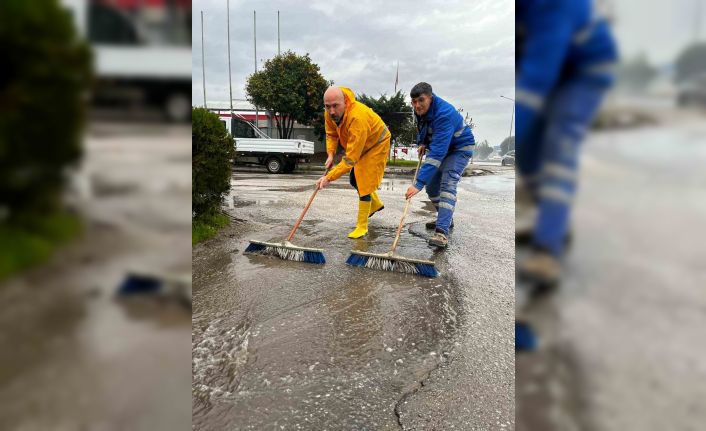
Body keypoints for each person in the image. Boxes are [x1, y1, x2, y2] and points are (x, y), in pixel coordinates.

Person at [516, 0, 618, 286]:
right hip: (549, 66)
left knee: (559, 147)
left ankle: (548, 248)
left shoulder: (552, 5)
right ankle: (551, 223)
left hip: (585, 72)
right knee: (527, 151)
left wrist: (522, 121)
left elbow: (535, 81)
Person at [404, 82, 475, 248]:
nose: (417, 105)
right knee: (432, 188)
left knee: (447, 184)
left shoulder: (444, 115)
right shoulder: (422, 110)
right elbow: (423, 127)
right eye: (414, 102)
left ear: (431, 97)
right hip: (443, 147)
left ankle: (442, 232)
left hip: (459, 148)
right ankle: (446, 217)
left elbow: (436, 155)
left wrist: (418, 183)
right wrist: (422, 142)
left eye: (421, 100)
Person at [315, 86, 390, 238]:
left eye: (335, 105)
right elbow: (331, 134)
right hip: (362, 145)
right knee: (353, 179)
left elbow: (350, 159)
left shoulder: (357, 117)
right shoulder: (330, 114)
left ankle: (362, 226)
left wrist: (329, 177)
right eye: (327, 106)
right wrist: (330, 154)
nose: (332, 111)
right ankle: (375, 204)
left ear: (346, 102)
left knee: (364, 182)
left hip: (376, 144)